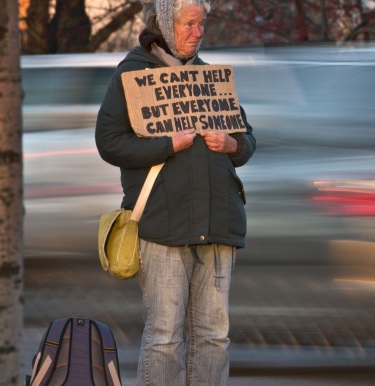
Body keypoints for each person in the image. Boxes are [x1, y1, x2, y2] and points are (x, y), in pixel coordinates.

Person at [95, 0, 256, 384]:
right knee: (165, 337)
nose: (198, 32)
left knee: (214, 338)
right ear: (166, 23)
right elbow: (109, 143)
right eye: (189, 23)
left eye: (202, 23)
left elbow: (247, 140)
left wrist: (232, 146)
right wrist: (166, 144)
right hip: (161, 225)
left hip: (218, 225)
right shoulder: (132, 75)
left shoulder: (210, 79)